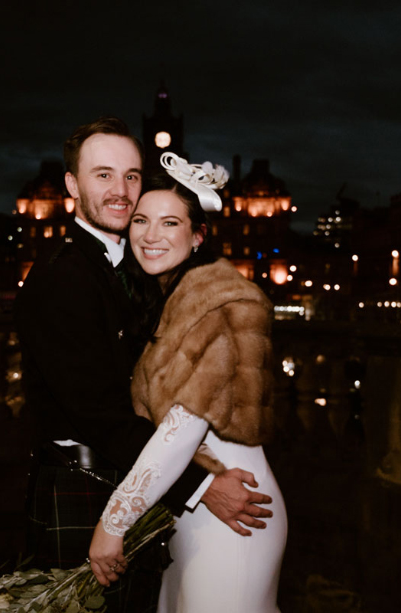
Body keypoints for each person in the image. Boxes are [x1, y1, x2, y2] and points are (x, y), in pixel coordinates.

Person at [14, 118, 274, 609]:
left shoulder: (139, 271)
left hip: (142, 483)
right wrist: (199, 486)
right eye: (103, 175)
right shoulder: (63, 277)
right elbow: (97, 413)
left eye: (131, 176)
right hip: (87, 484)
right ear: (72, 184)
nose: (120, 191)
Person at [88, 153, 287, 612]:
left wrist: (113, 524)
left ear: (198, 236)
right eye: (140, 220)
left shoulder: (217, 303)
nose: (151, 235)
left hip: (238, 515)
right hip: (195, 518)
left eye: (170, 223)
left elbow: (179, 434)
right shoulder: (174, 301)